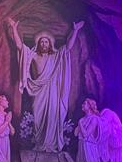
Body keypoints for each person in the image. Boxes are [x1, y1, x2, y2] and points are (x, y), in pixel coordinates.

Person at [6, 17, 84, 153]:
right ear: (38, 44)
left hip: (53, 90)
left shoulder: (56, 56)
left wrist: (75, 31)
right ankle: (39, 143)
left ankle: (51, 145)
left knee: (53, 115)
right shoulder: (34, 56)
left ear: (50, 44)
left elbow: (68, 47)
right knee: (38, 115)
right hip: (38, 91)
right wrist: (14, 29)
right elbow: (20, 47)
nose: (44, 44)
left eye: (46, 42)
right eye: (41, 42)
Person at [74, 97, 122, 162]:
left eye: (84, 104)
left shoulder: (94, 119)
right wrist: (80, 123)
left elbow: (86, 135)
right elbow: (75, 133)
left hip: (89, 148)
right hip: (81, 146)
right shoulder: (83, 119)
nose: (82, 105)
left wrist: (80, 123)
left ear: (90, 106)